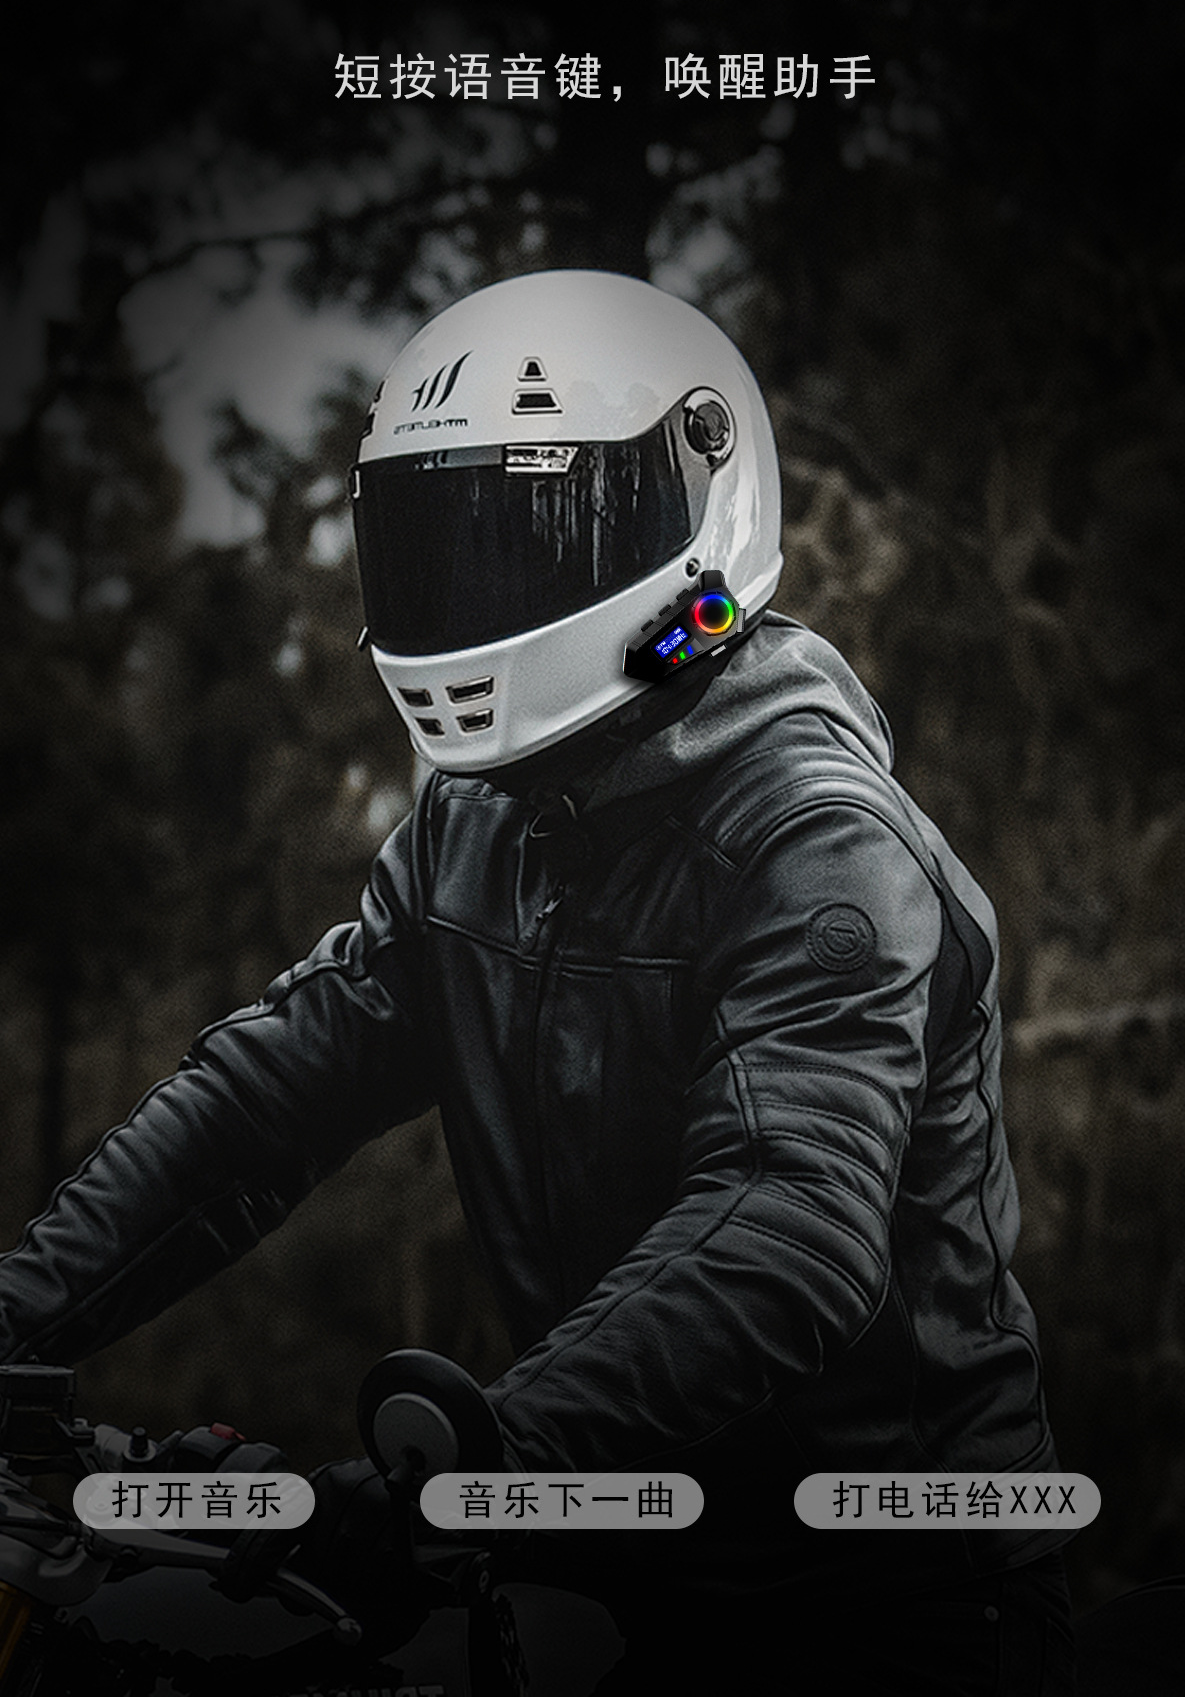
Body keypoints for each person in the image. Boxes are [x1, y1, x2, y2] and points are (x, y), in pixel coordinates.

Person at [0, 271, 1074, 1691]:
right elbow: (271, 1096)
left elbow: (788, 1221)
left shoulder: (819, 838)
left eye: (528, 534)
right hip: (618, 1553)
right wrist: (18, 1317)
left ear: (704, 497)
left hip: (890, 1589)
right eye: (439, 544)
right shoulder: (479, 819)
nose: (475, 591)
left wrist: (484, 1463)